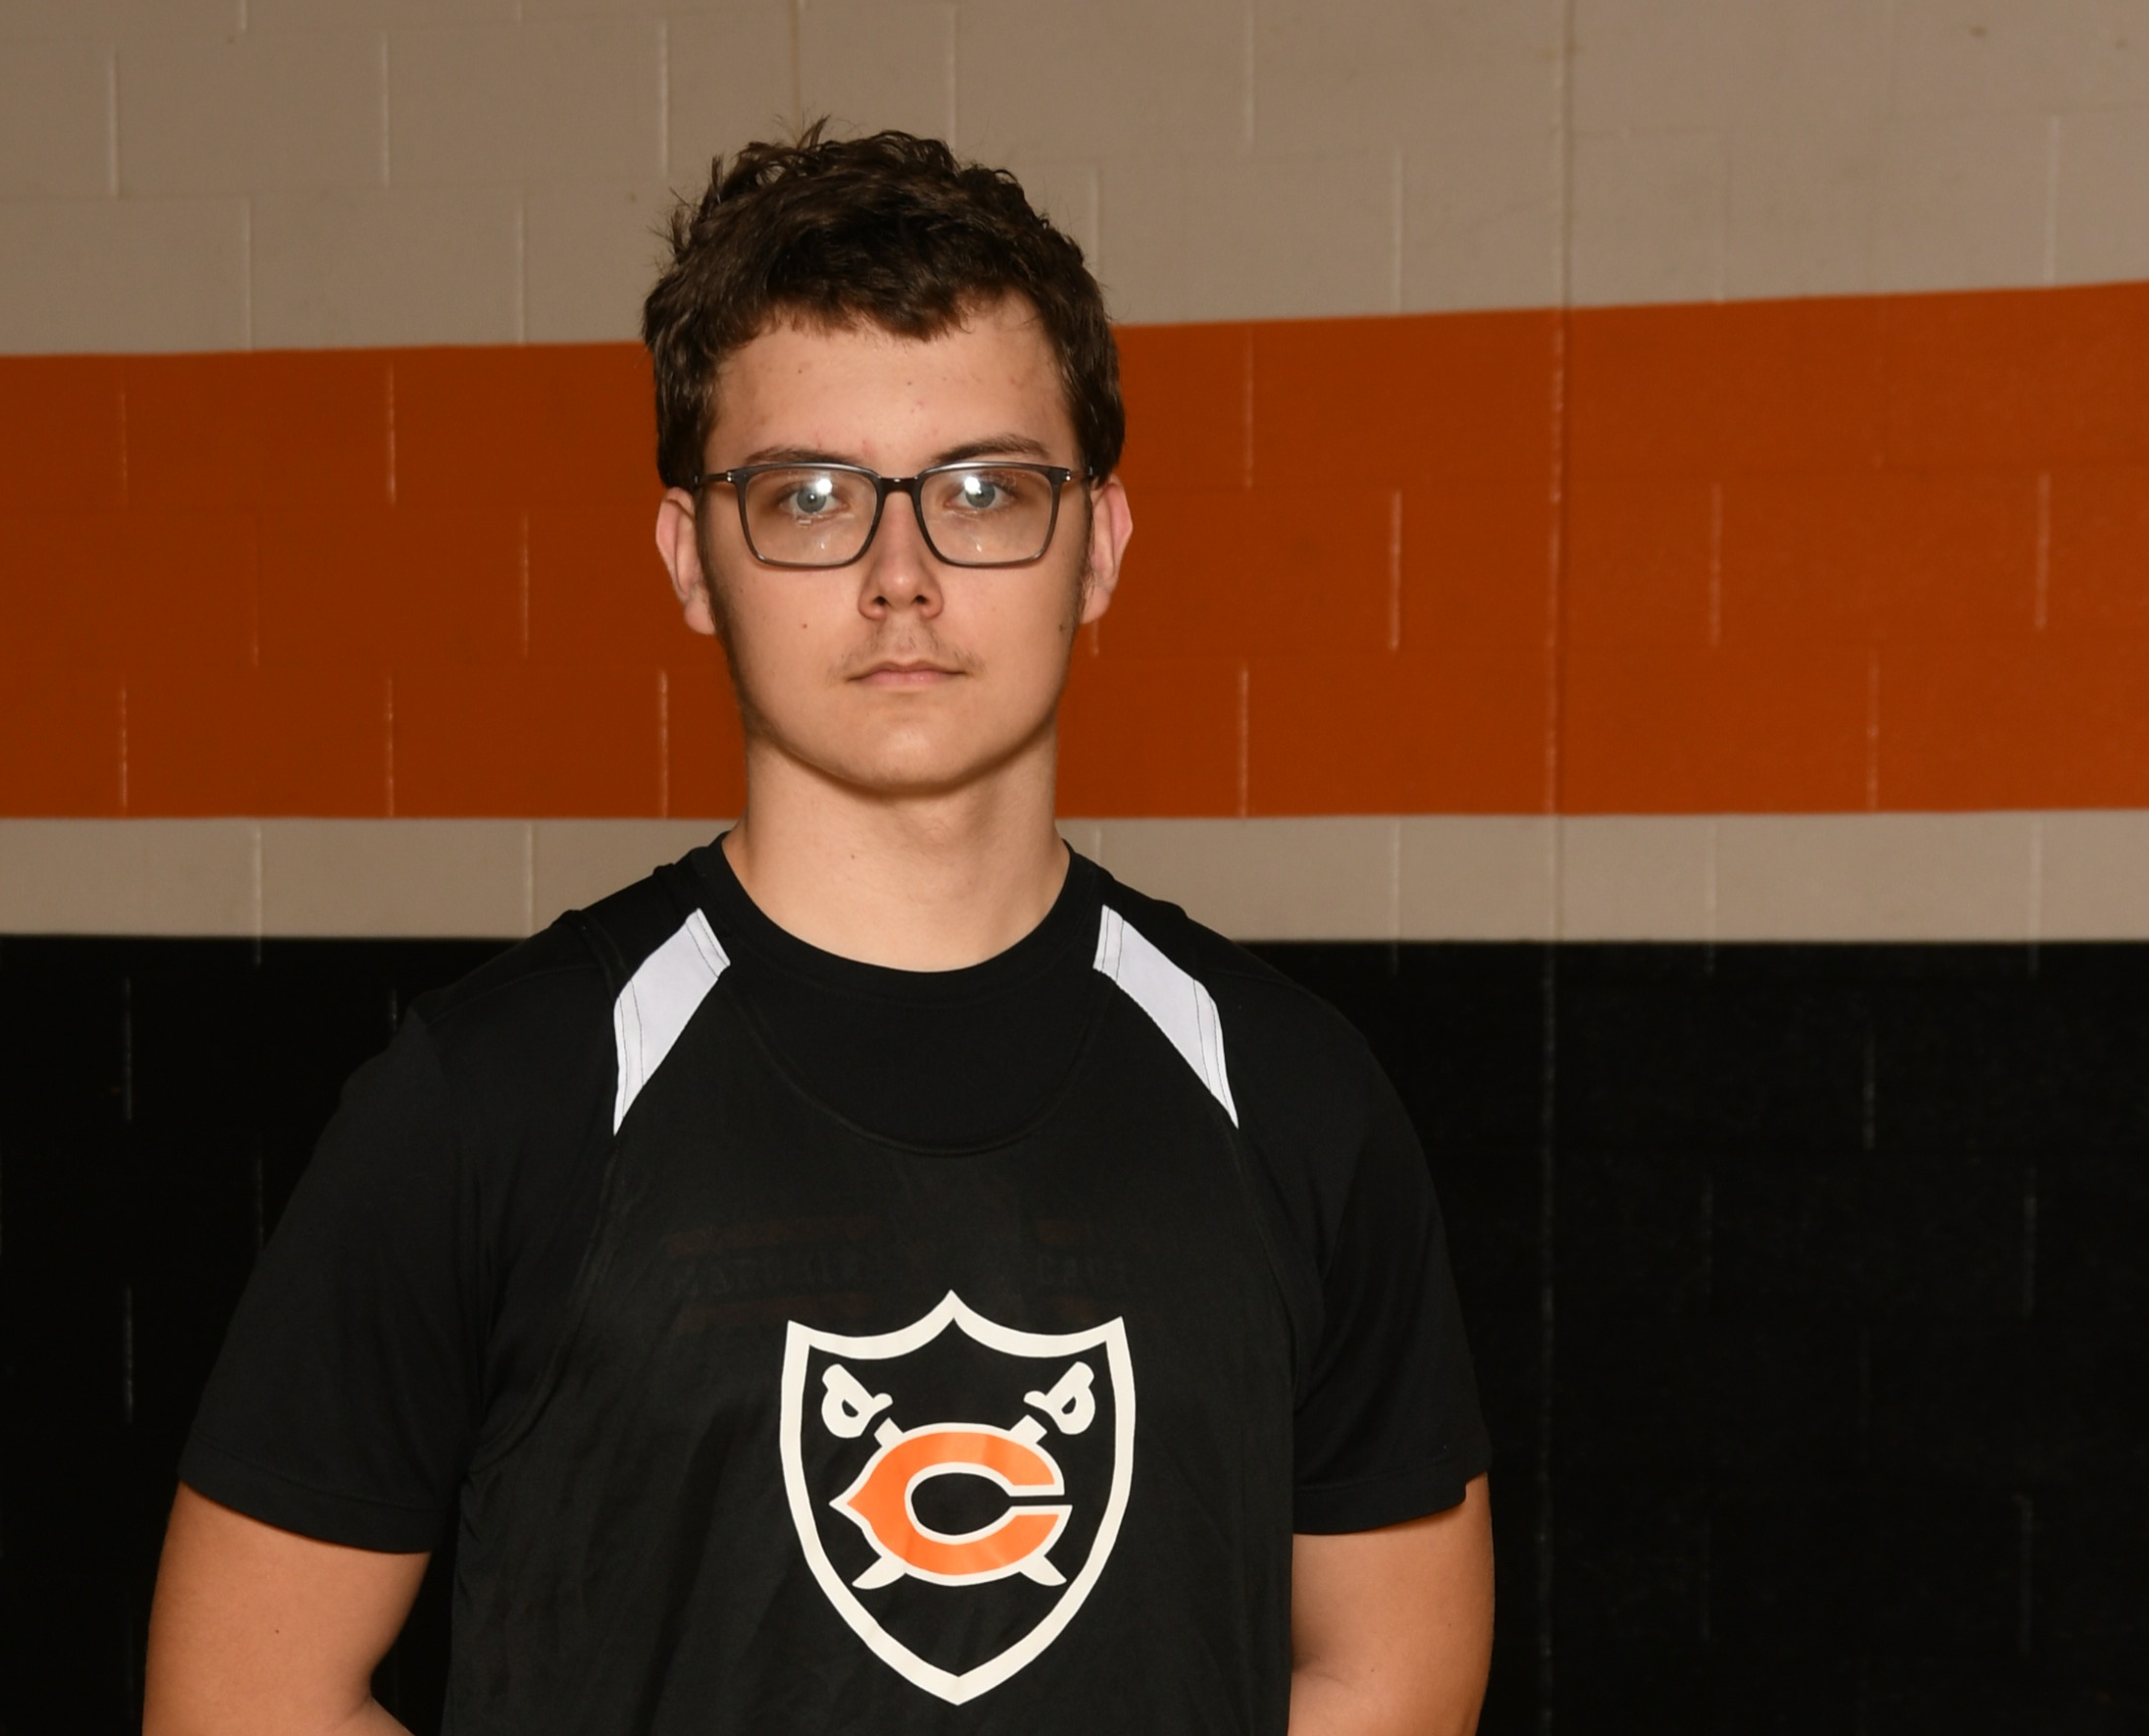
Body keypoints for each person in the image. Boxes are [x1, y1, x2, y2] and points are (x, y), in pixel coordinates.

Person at [144, 127, 1494, 1735]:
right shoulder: (494, 1098)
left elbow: (1388, 1672)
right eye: (806, 498)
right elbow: (244, 1698)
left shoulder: (1285, 1093)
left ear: (1100, 545)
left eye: (985, 491)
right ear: (690, 560)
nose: (898, 575)